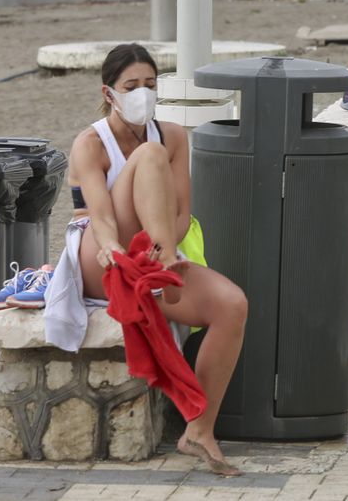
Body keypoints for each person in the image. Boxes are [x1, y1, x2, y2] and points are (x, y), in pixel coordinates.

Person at [68, 44, 249, 476]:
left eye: (150, 85)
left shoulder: (174, 136)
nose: (143, 94)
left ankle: (199, 430)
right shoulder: (91, 142)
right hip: (101, 254)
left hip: (156, 248)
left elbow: (183, 213)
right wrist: (113, 247)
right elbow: (101, 217)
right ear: (109, 92)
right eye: (132, 86)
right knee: (147, 156)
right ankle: (165, 264)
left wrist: (167, 244)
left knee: (232, 304)